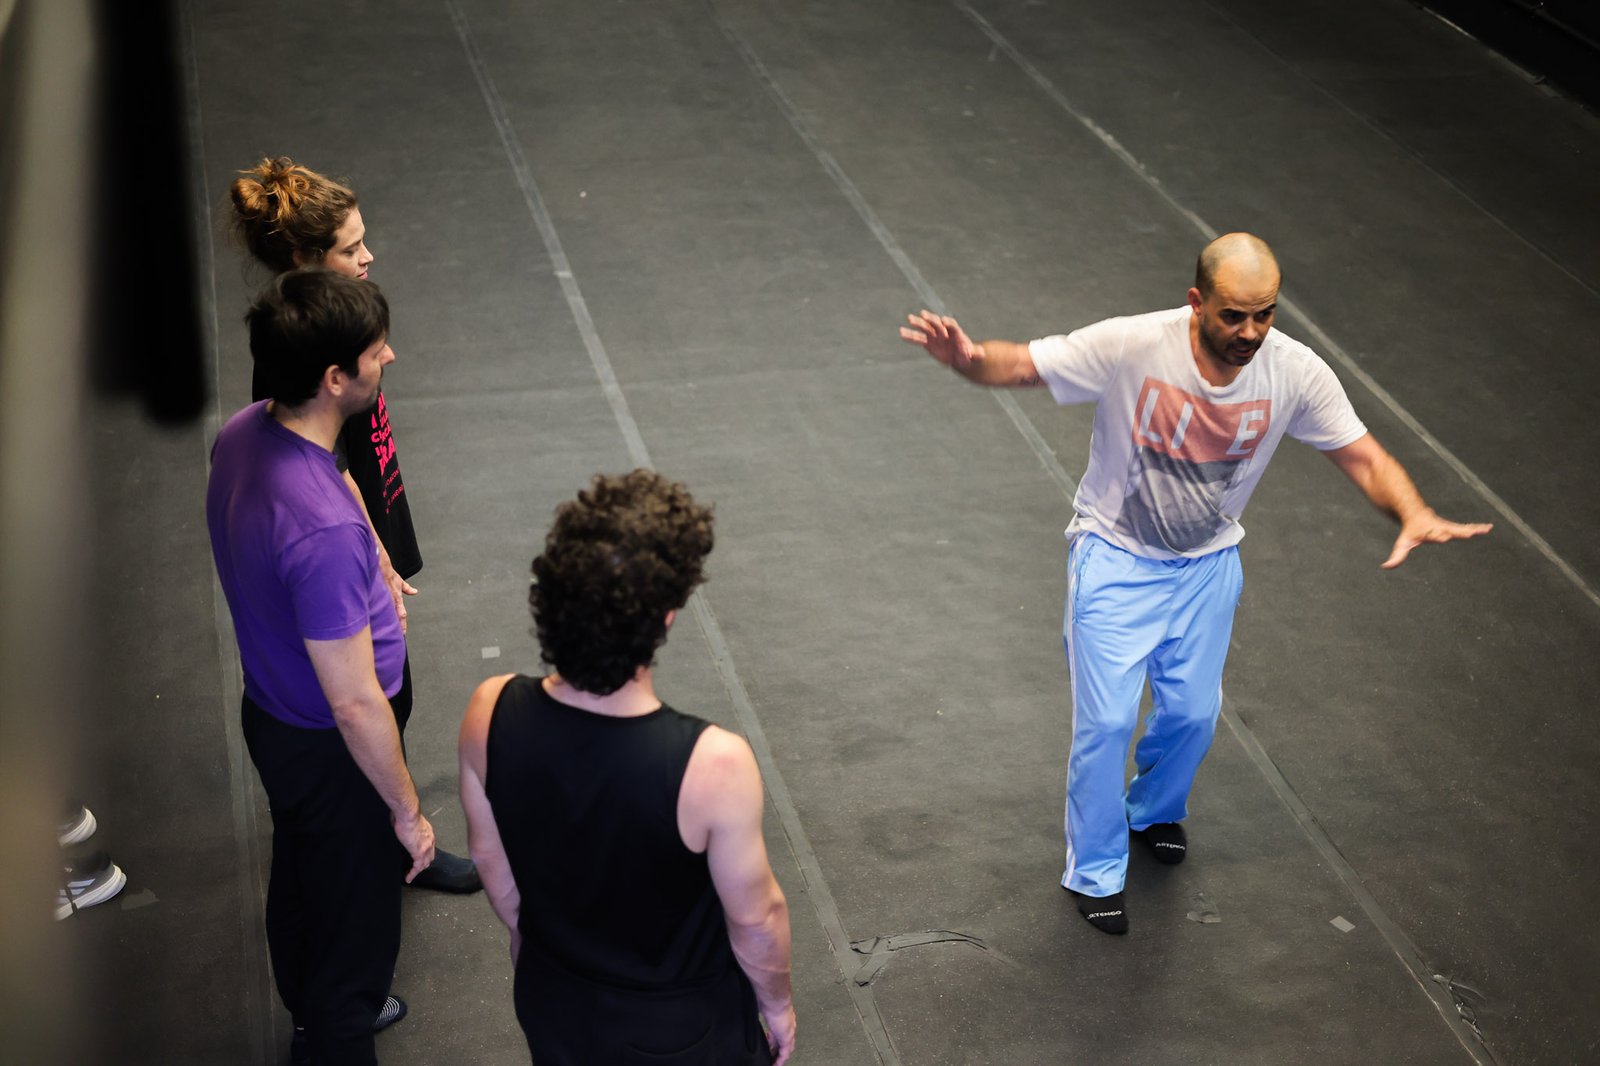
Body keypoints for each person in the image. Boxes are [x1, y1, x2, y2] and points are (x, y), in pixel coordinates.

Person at [899, 233, 1491, 935]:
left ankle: (1153, 809)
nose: (1250, 333)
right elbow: (1023, 365)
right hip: (1116, 559)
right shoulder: (1133, 346)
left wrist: (1413, 508)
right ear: (1196, 302)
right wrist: (967, 360)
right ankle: (1094, 869)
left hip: (1209, 565)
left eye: (1264, 314)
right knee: (1109, 723)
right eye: (1234, 315)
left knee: (1193, 717)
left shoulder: (1294, 371)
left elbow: (1362, 456)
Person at [459, 470, 796, 1064]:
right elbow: (757, 917)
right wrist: (777, 1005)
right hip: (677, 1032)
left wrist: (537, 950)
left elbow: (492, 861)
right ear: (664, 618)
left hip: (554, 1000)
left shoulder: (490, 710)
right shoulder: (712, 764)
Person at [229, 157, 481, 896]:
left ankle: (388, 834)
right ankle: (387, 839)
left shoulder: (349, 324)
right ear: (308, 262)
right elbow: (322, 468)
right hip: (350, 538)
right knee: (372, 696)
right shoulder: (302, 352)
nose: (368, 257)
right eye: (351, 248)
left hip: (373, 515)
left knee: (391, 692)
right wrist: (371, 554)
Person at [207, 269, 436, 1062]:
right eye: (377, 353)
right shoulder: (320, 535)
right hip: (332, 748)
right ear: (336, 378)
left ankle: (310, 1012)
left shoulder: (243, 432)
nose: (391, 359)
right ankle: (333, 1034)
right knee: (357, 936)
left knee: (301, 876)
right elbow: (355, 703)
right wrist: (406, 812)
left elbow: (331, 476)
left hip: (272, 715)